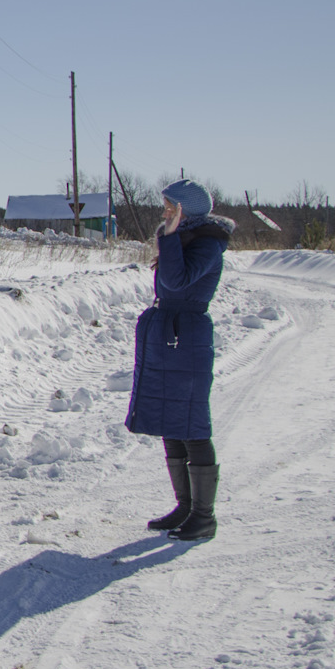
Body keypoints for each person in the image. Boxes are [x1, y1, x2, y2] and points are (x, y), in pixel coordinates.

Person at [126, 178, 234, 541]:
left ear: (187, 210)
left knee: (192, 423)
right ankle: (184, 507)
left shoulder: (207, 244)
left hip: (186, 335)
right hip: (170, 333)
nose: (164, 212)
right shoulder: (186, 238)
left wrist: (168, 237)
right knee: (172, 421)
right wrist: (170, 236)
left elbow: (174, 282)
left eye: (171, 207)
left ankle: (204, 516)